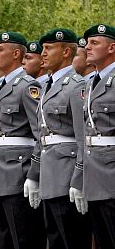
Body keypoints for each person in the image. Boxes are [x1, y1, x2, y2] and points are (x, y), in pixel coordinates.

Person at [0, 32, 43, 249]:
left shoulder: (27, 86)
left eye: (0, 50)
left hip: (19, 171)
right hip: (0, 172)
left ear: (16, 53)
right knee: (4, 238)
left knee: (23, 237)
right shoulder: (0, 87)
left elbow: (40, 132)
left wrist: (35, 174)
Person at [37, 29, 90, 249]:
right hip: (49, 173)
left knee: (71, 238)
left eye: (49, 48)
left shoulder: (76, 86)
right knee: (55, 237)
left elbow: (82, 137)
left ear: (66, 51)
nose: (43, 54)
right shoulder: (47, 85)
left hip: (67, 173)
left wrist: (78, 178)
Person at [82, 23, 115, 249]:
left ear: (112, 47)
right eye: (87, 43)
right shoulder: (90, 82)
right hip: (94, 172)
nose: (87, 47)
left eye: (95, 43)